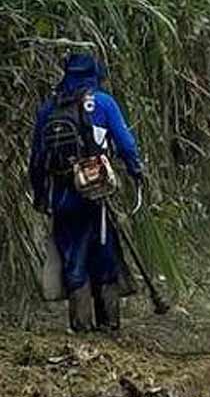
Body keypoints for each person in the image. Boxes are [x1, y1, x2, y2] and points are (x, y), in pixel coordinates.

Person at [29, 54, 143, 333]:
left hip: (63, 197)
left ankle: (81, 327)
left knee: (73, 257)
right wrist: (136, 170)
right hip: (97, 192)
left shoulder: (49, 109)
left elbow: (36, 160)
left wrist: (41, 195)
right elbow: (126, 145)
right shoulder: (103, 102)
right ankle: (109, 325)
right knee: (104, 252)